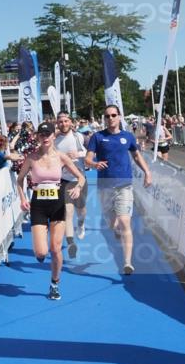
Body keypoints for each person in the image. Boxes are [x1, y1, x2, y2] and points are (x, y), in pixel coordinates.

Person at [17, 122, 85, 299]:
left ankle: (55, 284)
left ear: (53, 136)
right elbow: (20, 179)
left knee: (55, 249)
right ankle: (41, 252)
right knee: (41, 252)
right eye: (42, 134)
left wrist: (77, 188)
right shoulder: (31, 158)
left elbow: (80, 177)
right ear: (38, 137)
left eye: (48, 134)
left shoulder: (61, 157)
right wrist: (23, 198)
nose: (45, 137)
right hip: (38, 204)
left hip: (57, 203)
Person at [84, 104, 153, 275]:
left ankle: (128, 263)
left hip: (124, 185)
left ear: (119, 117)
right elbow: (87, 159)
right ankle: (115, 229)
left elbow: (136, 156)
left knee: (125, 222)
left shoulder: (128, 137)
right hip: (105, 187)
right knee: (112, 223)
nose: (110, 119)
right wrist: (94, 164)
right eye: (107, 116)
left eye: (113, 115)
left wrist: (147, 172)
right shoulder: (97, 137)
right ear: (104, 118)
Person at [54, 111, 88, 255]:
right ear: (57, 123)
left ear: (71, 122)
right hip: (64, 180)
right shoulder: (54, 140)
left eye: (66, 121)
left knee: (81, 210)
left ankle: (81, 223)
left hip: (80, 179)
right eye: (61, 121)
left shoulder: (79, 137)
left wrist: (78, 154)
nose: (63, 124)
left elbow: (90, 153)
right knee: (68, 211)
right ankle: (70, 243)